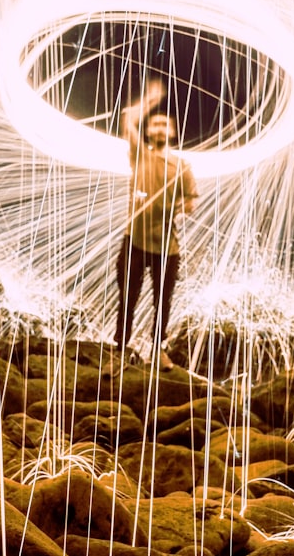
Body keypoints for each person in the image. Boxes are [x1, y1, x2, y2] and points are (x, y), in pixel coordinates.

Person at [114, 76, 198, 370]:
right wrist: (149, 100)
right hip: (134, 242)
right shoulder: (138, 155)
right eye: (155, 123)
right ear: (149, 130)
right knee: (128, 299)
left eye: (165, 124)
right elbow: (128, 120)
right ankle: (120, 351)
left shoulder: (183, 166)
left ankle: (158, 351)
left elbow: (190, 201)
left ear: (172, 131)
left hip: (167, 247)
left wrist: (179, 207)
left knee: (162, 303)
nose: (159, 128)